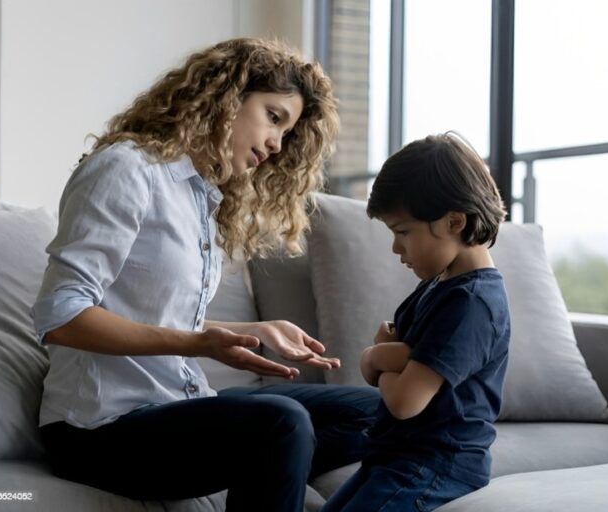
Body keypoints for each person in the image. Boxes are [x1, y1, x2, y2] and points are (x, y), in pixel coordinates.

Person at [32, 38, 379, 512]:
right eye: (273, 116)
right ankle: (275, 461)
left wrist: (249, 332)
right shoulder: (126, 169)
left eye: (287, 130)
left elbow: (154, 316)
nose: (278, 144)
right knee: (283, 423)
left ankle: (275, 467)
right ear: (226, 97)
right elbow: (61, 315)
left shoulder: (202, 197)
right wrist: (200, 344)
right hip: (98, 429)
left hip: (175, 405)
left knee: (377, 414)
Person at [320, 133, 511, 512]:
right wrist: (393, 358)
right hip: (396, 458)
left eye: (403, 232)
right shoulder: (439, 285)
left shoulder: (472, 304)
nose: (396, 248)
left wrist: (378, 357)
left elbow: (406, 401)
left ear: (454, 221)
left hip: (435, 467)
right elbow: (392, 369)